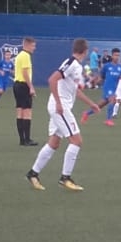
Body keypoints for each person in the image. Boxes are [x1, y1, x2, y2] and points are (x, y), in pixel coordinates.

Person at [27, 38, 102, 192]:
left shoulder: (76, 66)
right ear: (85, 51)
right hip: (60, 108)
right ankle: (65, 178)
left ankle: (33, 174)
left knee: (54, 143)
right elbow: (52, 79)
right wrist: (59, 103)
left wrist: (91, 104)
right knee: (77, 141)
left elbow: (75, 90)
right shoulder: (72, 63)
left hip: (60, 106)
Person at [79, 47, 121, 126]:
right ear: (112, 56)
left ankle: (87, 113)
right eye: (115, 55)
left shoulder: (120, 67)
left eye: (118, 55)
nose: (117, 57)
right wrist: (96, 82)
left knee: (100, 106)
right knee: (113, 100)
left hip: (114, 88)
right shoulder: (107, 66)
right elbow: (101, 76)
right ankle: (108, 120)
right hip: (107, 87)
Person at [13, 37, 37, 146]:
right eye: (33, 46)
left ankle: (22, 140)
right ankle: (27, 139)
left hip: (16, 85)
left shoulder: (19, 55)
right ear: (27, 45)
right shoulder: (26, 56)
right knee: (27, 112)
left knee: (20, 112)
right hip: (23, 85)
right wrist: (31, 87)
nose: (34, 48)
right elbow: (25, 73)